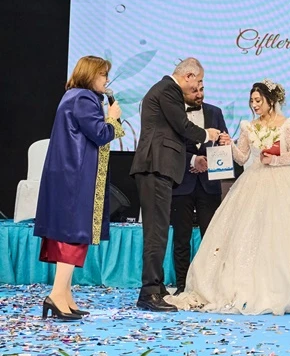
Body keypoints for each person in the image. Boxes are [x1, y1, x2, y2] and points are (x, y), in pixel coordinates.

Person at [167, 79, 290, 315]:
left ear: (271, 101)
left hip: (286, 182)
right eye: (252, 101)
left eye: (258, 101)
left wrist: (275, 160)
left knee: (286, 232)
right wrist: (229, 145)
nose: (254, 105)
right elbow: (242, 157)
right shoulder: (248, 126)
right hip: (254, 180)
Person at [34, 55, 124, 320]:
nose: (106, 80)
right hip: (75, 177)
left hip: (68, 174)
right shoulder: (84, 98)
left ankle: (65, 295)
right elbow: (100, 134)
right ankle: (56, 295)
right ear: (91, 75)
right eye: (103, 75)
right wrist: (113, 118)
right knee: (73, 234)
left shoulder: (72, 96)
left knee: (69, 233)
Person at [130, 58, 221, 312]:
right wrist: (207, 134)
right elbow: (182, 125)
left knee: (158, 230)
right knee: (156, 232)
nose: (198, 87)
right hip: (155, 165)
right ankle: (149, 292)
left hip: (159, 168)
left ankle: (156, 286)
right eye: (198, 81)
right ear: (188, 76)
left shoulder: (163, 89)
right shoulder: (169, 89)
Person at [170, 82, 228, 295]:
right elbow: (171, 147)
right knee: (181, 238)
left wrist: (225, 142)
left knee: (212, 237)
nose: (199, 94)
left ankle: (211, 285)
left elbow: (222, 148)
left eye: (202, 89)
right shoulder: (174, 114)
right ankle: (182, 286)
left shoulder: (215, 112)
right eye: (194, 90)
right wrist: (192, 160)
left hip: (209, 184)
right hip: (181, 183)